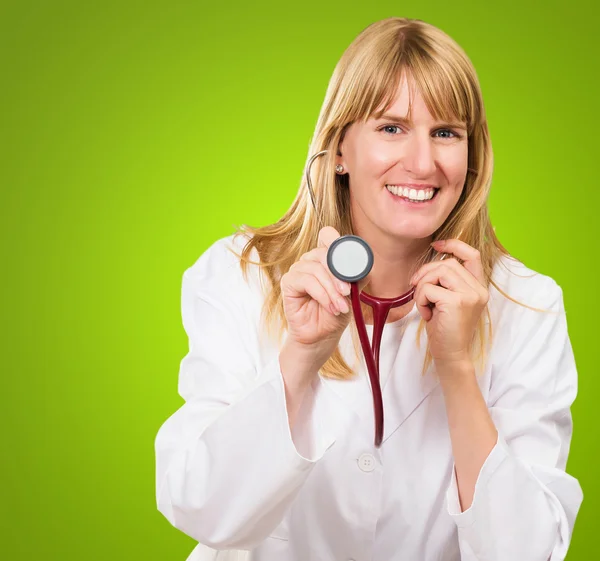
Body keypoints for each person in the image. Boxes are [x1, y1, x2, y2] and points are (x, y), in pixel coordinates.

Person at [154, 17, 583, 561]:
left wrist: (457, 368)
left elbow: (526, 553)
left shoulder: (525, 303)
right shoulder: (244, 274)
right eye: (391, 127)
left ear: (471, 157)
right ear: (339, 150)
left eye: (446, 132)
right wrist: (301, 355)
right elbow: (202, 509)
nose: (423, 163)